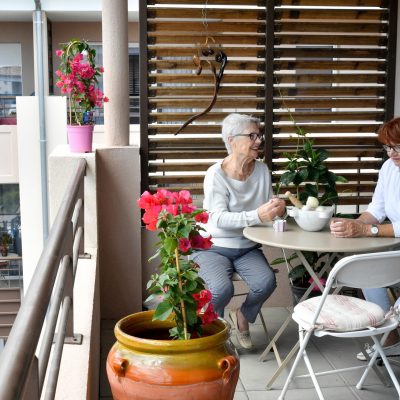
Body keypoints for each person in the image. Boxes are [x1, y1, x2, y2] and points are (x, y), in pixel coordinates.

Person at [191, 113, 286, 349]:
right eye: (252, 135)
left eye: (259, 135)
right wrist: (257, 215)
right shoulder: (216, 174)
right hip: (212, 247)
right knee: (221, 290)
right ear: (231, 140)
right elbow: (218, 218)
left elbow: (265, 211)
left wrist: (279, 210)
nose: (259, 140)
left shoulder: (262, 170)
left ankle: (243, 316)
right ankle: (216, 335)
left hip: (246, 246)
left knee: (266, 282)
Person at [330, 116, 400, 360]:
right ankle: (389, 338)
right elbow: (377, 209)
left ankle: (392, 327)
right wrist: (355, 224)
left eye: (398, 147)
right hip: (396, 244)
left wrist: (369, 231)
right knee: (367, 269)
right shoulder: (389, 168)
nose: (392, 153)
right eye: (388, 147)